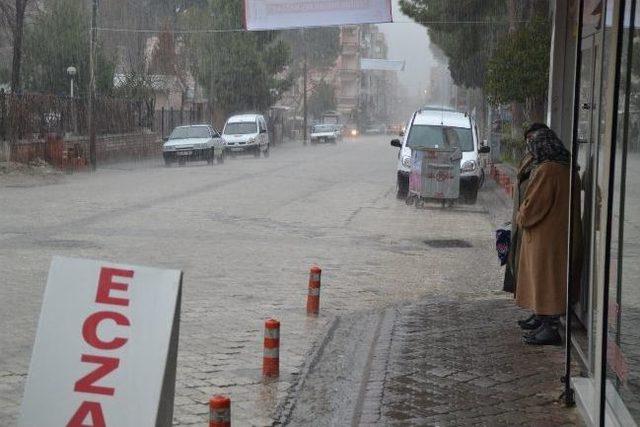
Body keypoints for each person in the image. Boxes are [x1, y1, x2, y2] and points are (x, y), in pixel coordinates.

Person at [515, 127, 572, 345]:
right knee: (548, 279)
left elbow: (533, 207)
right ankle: (544, 320)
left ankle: (549, 326)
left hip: (546, 236)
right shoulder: (564, 166)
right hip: (556, 233)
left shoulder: (548, 170)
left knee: (546, 280)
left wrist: (522, 215)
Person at [503, 124, 548, 304]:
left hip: (535, 224)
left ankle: (544, 316)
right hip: (523, 222)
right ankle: (535, 311)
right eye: (527, 140)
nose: (529, 144)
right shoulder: (530, 160)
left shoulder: (547, 167)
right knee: (523, 266)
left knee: (537, 271)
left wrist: (524, 215)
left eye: (532, 139)